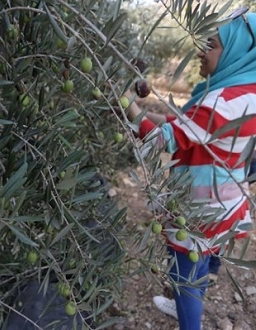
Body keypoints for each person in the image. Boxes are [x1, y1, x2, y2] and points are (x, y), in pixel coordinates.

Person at [123, 7, 256, 330]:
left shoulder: (221, 101)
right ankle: (194, 295)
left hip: (199, 208)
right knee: (206, 261)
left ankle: (187, 313)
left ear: (238, 49)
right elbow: (189, 127)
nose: (202, 51)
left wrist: (123, 101)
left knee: (184, 276)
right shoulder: (247, 92)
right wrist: (143, 114)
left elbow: (161, 141)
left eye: (211, 45)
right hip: (226, 202)